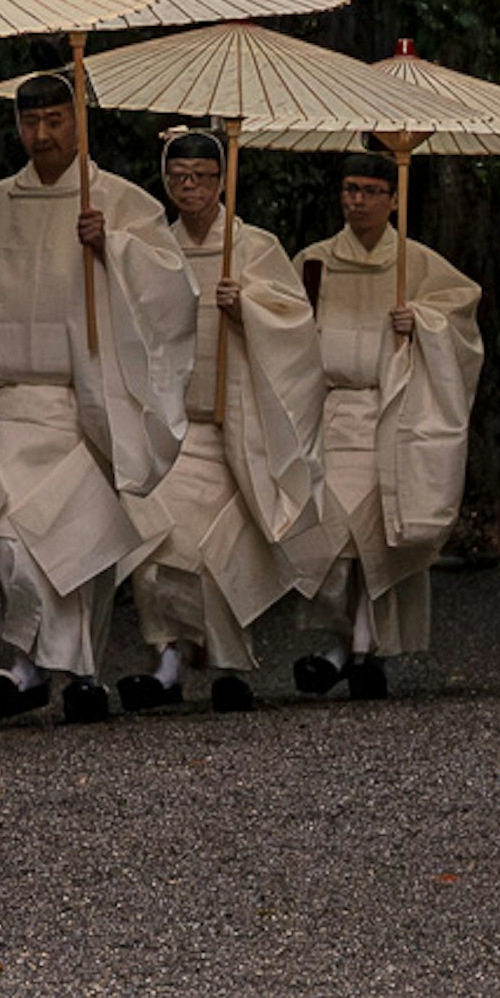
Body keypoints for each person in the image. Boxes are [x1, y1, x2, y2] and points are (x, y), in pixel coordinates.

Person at [0, 65, 192, 726]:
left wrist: (111, 244)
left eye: (56, 119)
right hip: (8, 402)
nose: (43, 133)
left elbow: (171, 292)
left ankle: (77, 669)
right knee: (3, 543)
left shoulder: (120, 201)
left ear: (79, 120)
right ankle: (23, 665)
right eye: (31, 121)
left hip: (79, 403)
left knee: (74, 543)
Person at [121, 125, 332, 713]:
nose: (190, 189)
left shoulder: (254, 248)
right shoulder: (152, 246)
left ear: (223, 182)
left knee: (216, 554)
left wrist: (250, 310)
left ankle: (230, 662)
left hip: (234, 426)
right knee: (155, 541)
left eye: (203, 178)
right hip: (174, 425)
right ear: (165, 181)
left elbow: (294, 324)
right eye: (179, 178)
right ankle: (165, 658)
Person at [290, 144, 483, 698]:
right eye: (351, 190)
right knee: (329, 540)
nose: (359, 201)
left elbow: (463, 313)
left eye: (372, 192)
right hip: (328, 412)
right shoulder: (314, 260)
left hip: (392, 413)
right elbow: (284, 329)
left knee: (376, 538)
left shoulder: (417, 263)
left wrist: (422, 321)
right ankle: (338, 640)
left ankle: (359, 648)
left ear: (394, 199)